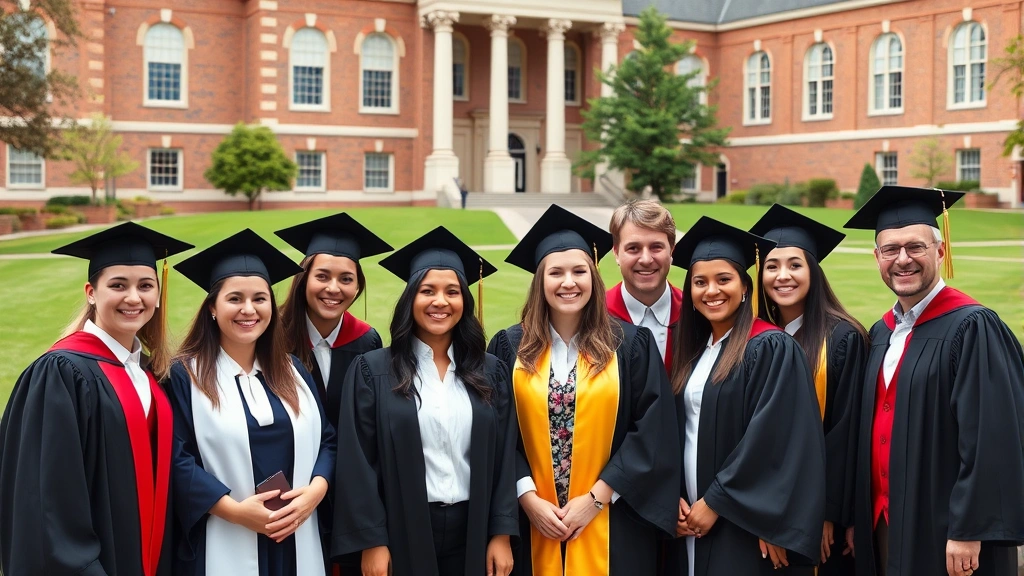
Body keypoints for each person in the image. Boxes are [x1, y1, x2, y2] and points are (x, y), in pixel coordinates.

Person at [487, 204, 680, 576]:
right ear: (540, 281)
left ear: (593, 277)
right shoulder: (510, 347)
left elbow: (652, 430)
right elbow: (495, 431)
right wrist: (527, 499)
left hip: (613, 519)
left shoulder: (629, 345)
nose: (568, 282)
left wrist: (595, 499)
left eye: (579, 271)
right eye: (555, 272)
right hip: (531, 522)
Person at [844, 186, 1024, 576]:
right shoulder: (880, 332)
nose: (902, 259)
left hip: (949, 532)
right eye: (890, 249)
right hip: (886, 522)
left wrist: (969, 528)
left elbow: (991, 436)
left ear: (940, 251)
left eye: (915, 247)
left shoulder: (973, 326)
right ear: (876, 257)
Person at [0, 222, 192, 576]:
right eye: (118, 285)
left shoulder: (150, 372)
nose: (134, 298)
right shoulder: (60, 373)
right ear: (91, 292)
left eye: (146, 286)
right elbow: (47, 497)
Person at [331, 226, 518, 576]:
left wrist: (502, 531)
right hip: (402, 526)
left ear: (465, 300)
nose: (440, 302)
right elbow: (358, 462)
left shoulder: (490, 371)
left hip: (473, 527)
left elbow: (506, 455)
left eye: (452, 292)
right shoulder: (373, 371)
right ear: (410, 299)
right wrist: (373, 540)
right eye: (427, 291)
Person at [168, 229, 337, 576]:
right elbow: (176, 459)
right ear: (212, 307)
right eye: (235, 299)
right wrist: (235, 511)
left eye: (260, 299)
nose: (249, 309)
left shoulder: (293, 370)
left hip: (297, 534)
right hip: (225, 533)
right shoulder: (186, 376)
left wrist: (315, 493)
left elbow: (329, 441)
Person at [668, 216, 825, 576]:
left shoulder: (770, 346)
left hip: (739, 521)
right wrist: (670, 499)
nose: (712, 291)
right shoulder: (692, 352)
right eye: (700, 282)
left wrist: (716, 502)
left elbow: (773, 439)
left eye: (724, 279)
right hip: (688, 517)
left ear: (744, 287)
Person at [750, 204, 869, 576]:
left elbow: (844, 433)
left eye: (795, 265)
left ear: (814, 272)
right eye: (772, 266)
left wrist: (827, 513)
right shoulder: (753, 337)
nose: (782, 276)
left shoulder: (842, 338)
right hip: (760, 506)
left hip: (818, 516)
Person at [275, 212, 393, 429]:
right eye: (322, 276)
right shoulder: (273, 337)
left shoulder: (367, 341)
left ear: (357, 286)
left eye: (346, 279)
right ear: (303, 279)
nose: (333, 288)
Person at [605, 199, 684, 373]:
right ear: (616, 253)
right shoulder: (596, 315)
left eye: (656, 247)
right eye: (633, 248)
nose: (646, 259)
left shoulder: (694, 313)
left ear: (672, 250)